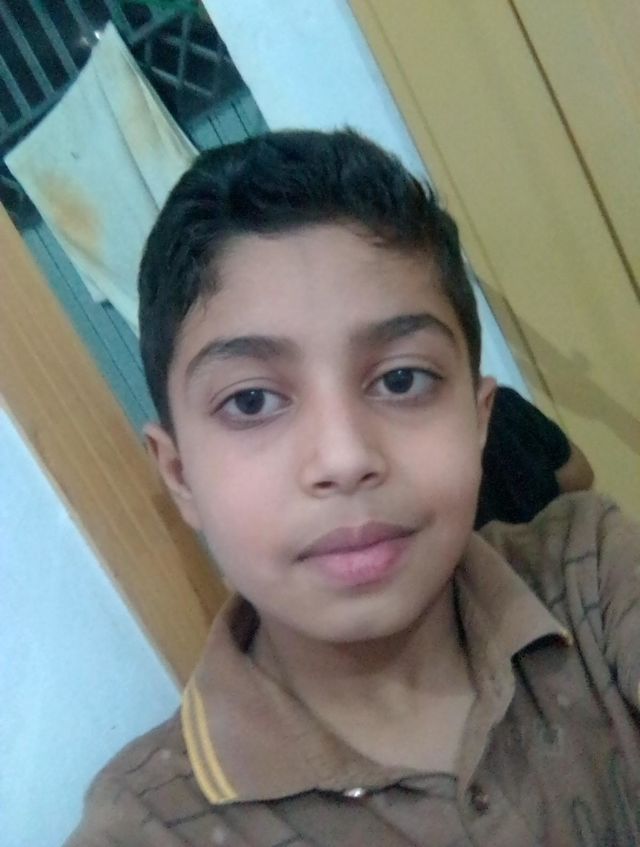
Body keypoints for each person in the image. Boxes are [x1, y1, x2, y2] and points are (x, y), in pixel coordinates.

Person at [66, 129, 640, 846]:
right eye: (251, 400)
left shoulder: (591, 577)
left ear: (479, 418)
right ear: (180, 474)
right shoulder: (150, 824)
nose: (344, 458)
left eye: (401, 379)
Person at [475, 385, 594, 528]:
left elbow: (580, 475)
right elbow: (579, 475)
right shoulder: (503, 404)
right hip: (560, 531)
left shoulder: (503, 404)